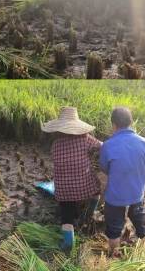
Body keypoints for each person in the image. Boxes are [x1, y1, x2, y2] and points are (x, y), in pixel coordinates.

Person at [99, 107, 145, 256]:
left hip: (115, 197)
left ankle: (114, 254)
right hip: (136, 194)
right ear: (131, 122)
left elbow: (105, 169)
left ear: (113, 125)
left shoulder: (107, 145)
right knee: (140, 223)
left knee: (114, 230)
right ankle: (143, 252)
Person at [42, 106, 102, 251]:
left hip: (63, 190)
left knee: (66, 215)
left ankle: (68, 243)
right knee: (97, 192)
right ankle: (88, 215)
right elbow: (103, 146)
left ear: (59, 129)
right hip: (84, 187)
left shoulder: (55, 145)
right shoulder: (86, 140)